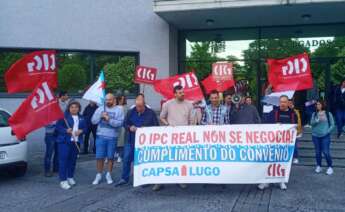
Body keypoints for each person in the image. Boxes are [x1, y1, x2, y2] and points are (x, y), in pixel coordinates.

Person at [153, 85, 193, 191]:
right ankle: (160, 181)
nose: (182, 94)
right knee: (166, 159)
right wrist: (168, 125)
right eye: (180, 92)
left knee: (182, 159)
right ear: (175, 94)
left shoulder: (189, 104)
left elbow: (191, 121)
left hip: (184, 137)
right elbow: (161, 117)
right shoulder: (167, 104)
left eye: (183, 92)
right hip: (171, 137)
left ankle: (181, 180)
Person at [114, 94, 159, 186]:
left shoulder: (151, 113)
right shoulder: (131, 112)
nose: (138, 108)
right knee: (126, 159)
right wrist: (130, 127)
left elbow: (156, 126)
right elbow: (125, 123)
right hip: (130, 140)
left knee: (143, 161)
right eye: (137, 106)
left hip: (145, 142)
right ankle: (124, 178)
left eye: (140, 107)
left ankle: (144, 179)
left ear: (144, 103)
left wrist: (146, 129)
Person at [258, 95, 297, 191]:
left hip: (285, 143)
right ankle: (265, 181)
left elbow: (295, 126)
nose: (282, 104)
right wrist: (274, 126)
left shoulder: (293, 114)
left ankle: (281, 181)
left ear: (288, 103)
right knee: (269, 161)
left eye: (284, 102)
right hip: (273, 142)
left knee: (282, 162)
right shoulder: (273, 112)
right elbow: (265, 123)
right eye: (281, 102)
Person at [91, 93, 124, 185]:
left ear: (114, 100)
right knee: (99, 157)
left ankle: (108, 174)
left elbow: (119, 124)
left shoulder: (119, 110)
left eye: (110, 100)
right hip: (100, 136)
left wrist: (109, 119)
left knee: (110, 157)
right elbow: (93, 121)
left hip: (112, 137)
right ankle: (98, 174)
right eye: (106, 100)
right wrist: (100, 116)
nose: (108, 101)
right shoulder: (100, 108)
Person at [55, 101, 86, 190]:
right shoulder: (63, 117)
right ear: (69, 108)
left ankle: (70, 177)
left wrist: (81, 131)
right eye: (72, 107)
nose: (74, 109)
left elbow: (85, 128)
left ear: (79, 108)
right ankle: (63, 180)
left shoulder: (81, 117)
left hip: (76, 142)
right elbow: (58, 127)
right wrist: (66, 130)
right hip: (64, 142)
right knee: (63, 161)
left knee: (72, 161)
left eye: (76, 107)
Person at [310, 100, 335, 175]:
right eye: (317, 104)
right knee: (317, 152)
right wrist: (316, 121)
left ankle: (330, 167)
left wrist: (327, 131)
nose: (317, 106)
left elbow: (332, 125)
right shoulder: (314, 114)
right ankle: (319, 166)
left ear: (323, 105)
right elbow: (311, 124)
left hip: (325, 136)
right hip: (315, 135)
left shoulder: (328, 114)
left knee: (326, 152)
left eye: (319, 104)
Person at [289, 99, 303, 164]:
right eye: (288, 103)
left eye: (291, 103)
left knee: (295, 146)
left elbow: (299, 121)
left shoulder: (296, 111)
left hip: (295, 131)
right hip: (287, 132)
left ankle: (295, 157)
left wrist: (298, 130)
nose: (289, 104)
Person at [115, 95, 128, 163]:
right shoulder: (114, 107)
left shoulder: (126, 108)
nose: (122, 100)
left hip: (123, 127)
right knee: (115, 141)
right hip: (116, 126)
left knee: (121, 142)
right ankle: (116, 153)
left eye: (123, 99)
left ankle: (120, 155)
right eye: (120, 99)